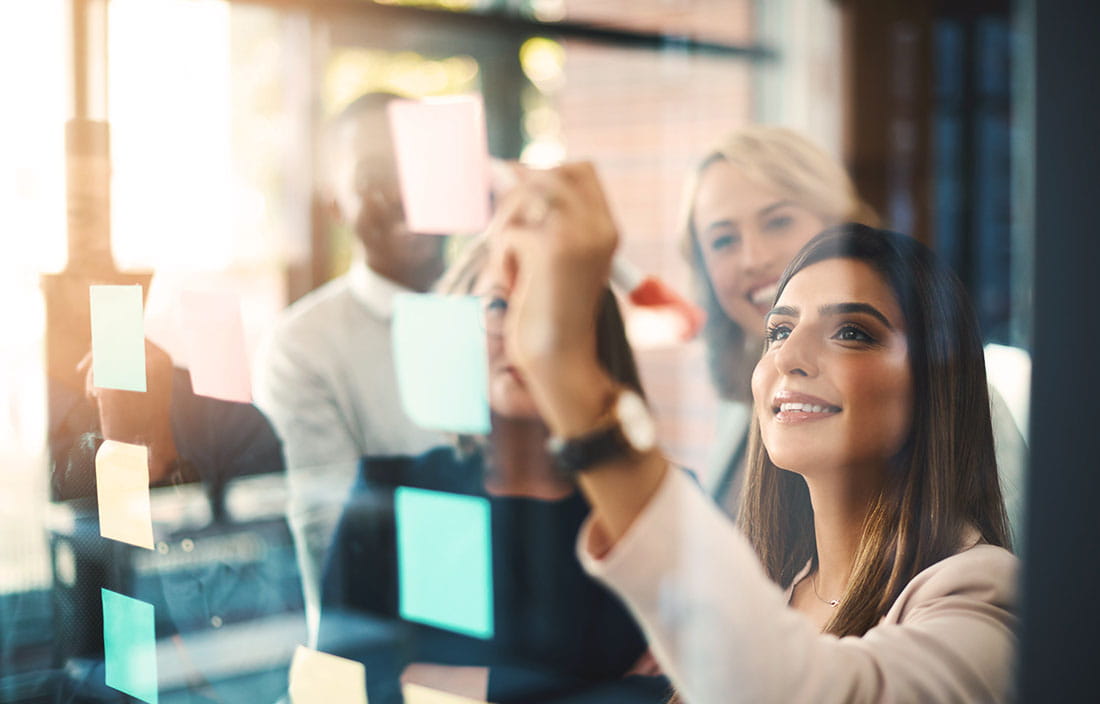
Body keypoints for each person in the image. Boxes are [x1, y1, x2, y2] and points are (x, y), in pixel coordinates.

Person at [492, 164, 1017, 702]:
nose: (787, 356)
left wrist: (570, 376)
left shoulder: (987, 594)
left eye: (852, 332)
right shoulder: (776, 587)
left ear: (938, 384)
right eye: (780, 330)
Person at [317, 237, 670, 704]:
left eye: (552, 306)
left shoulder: (652, 502)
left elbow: (684, 687)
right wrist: (598, 691)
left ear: (596, 334)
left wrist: (451, 685)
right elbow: (343, 688)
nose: (524, 332)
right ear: (455, 328)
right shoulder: (393, 493)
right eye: (500, 305)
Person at [682, 126, 1026, 538]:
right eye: (723, 240)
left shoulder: (950, 393)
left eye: (778, 222)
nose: (753, 258)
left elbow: (1020, 577)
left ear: (840, 225)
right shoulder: (746, 400)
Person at [253, 93, 448, 641]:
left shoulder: (508, 314)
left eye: (419, 163)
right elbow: (339, 556)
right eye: (372, 176)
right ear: (335, 204)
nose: (404, 189)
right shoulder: (302, 348)